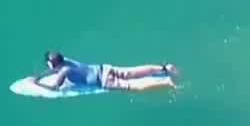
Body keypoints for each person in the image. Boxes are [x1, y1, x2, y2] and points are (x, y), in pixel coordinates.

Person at [34, 51, 178, 92]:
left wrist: (36, 83)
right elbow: (55, 69)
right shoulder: (66, 60)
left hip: (103, 81)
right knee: (133, 72)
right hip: (104, 68)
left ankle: (165, 82)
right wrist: (41, 75)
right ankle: (163, 68)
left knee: (133, 86)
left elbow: (55, 88)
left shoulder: (64, 71)